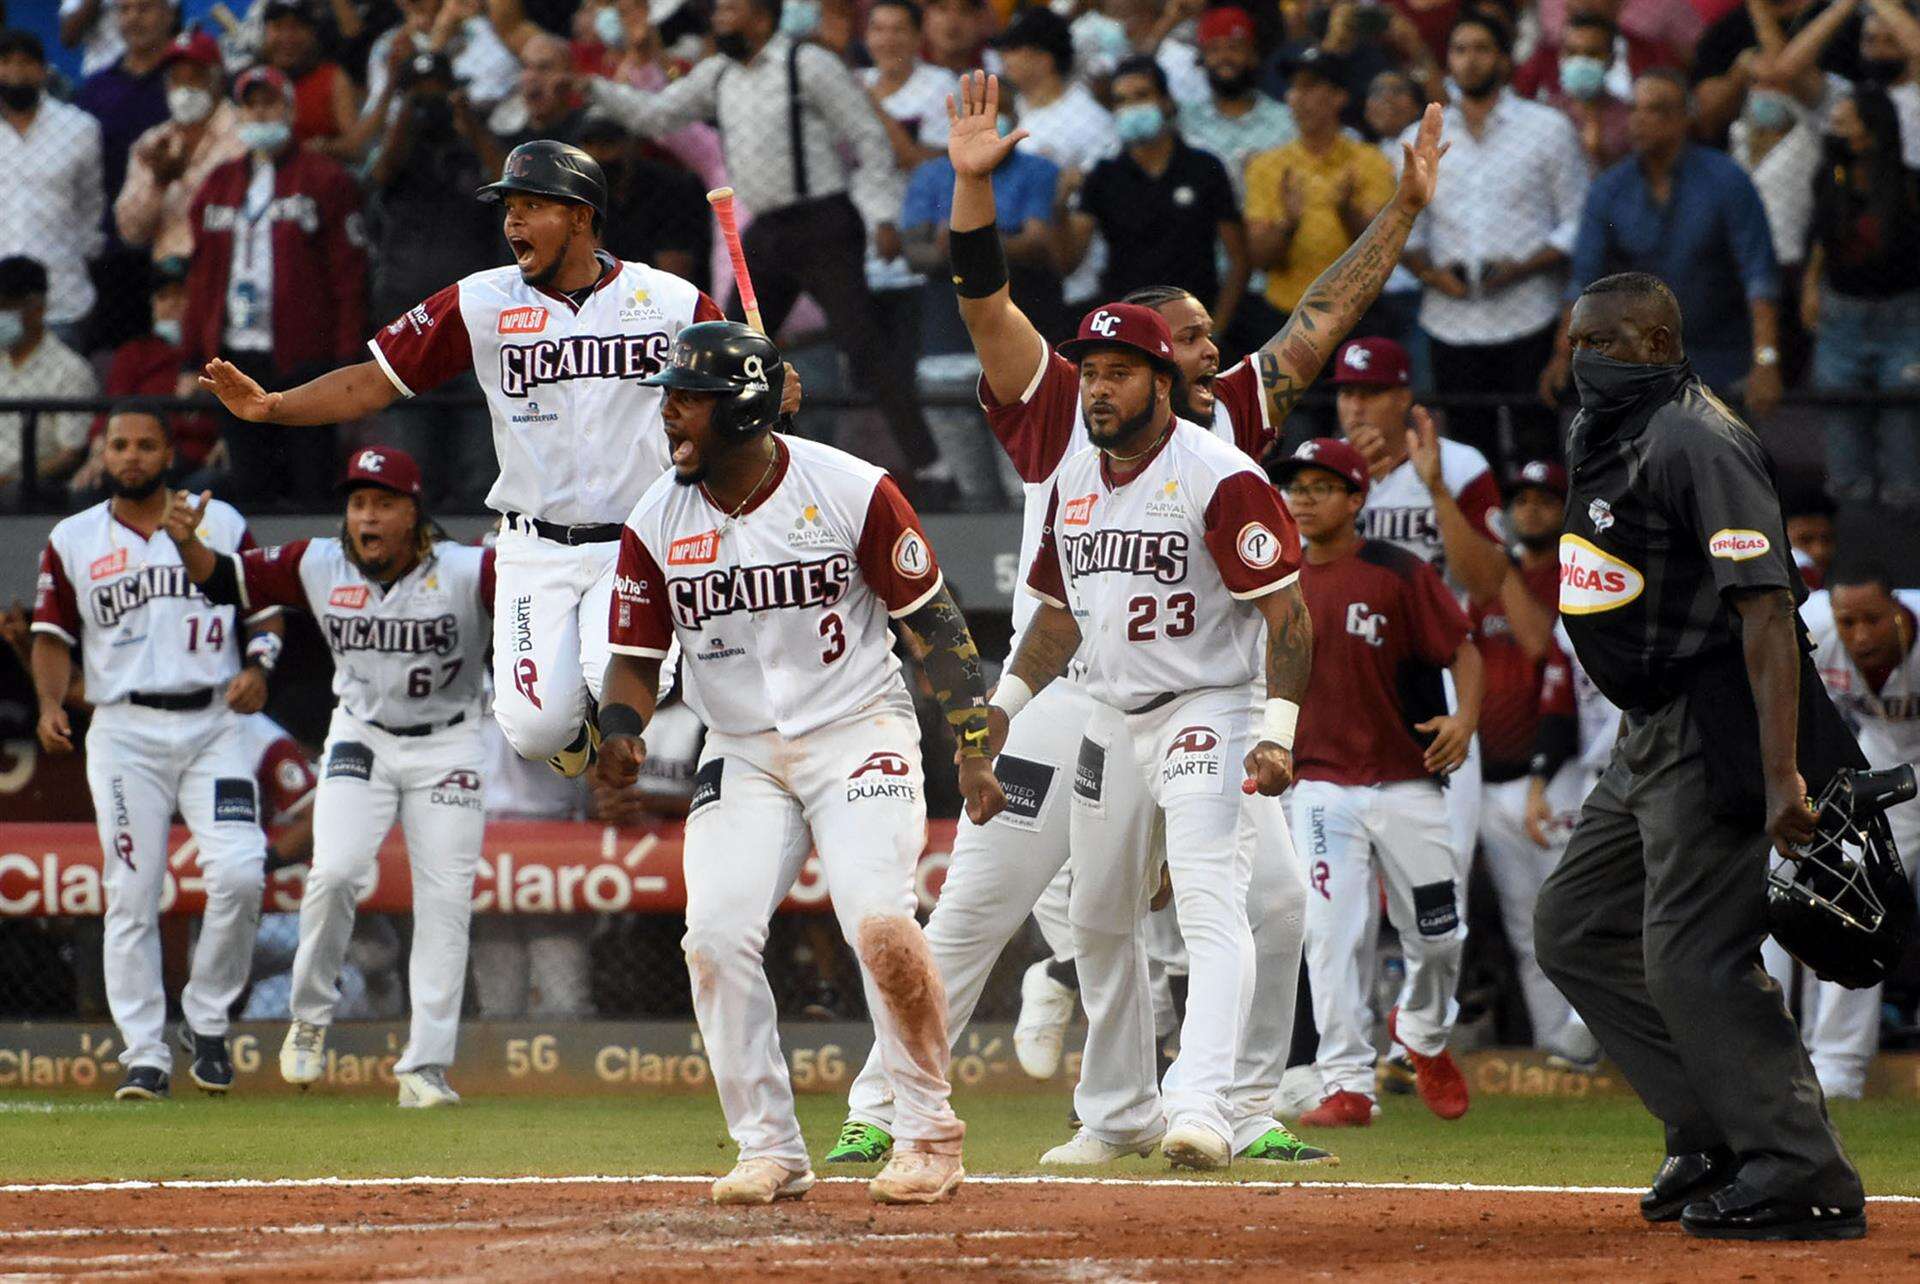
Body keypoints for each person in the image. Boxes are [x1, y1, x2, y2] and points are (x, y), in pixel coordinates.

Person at [828, 74, 1448, 1171]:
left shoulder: (1228, 422)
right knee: (978, 903)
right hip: (1066, 690)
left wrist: (1401, 208)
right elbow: (984, 302)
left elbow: (1324, 314)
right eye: (1195, 336)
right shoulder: (1065, 403)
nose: (1216, 350)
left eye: (1208, 339)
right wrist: (971, 189)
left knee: (1272, 908)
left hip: (1199, 693)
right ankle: (885, 1098)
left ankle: (1230, 1106)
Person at [195, 139, 785, 778]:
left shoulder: (669, 300)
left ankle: (623, 724)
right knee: (534, 732)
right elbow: (373, 380)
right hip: (534, 546)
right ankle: (575, 737)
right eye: (509, 208)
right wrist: (273, 406)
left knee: (619, 677)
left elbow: (737, 381)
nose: (513, 222)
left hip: (635, 540)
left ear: (580, 215)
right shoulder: (483, 300)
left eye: (532, 206)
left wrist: (768, 390)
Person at [597, 320, 1005, 1206]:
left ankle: (927, 1132)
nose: (670, 414)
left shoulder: (852, 488)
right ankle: (769, 1147)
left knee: (880, 926)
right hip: (739, 747)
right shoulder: (655, 518)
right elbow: (633, 656)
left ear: (745, 410)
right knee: (713, 938)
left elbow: (936, 626)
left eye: (691, 400)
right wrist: (621, 727)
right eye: (670, 398)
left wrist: (973, 746)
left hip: (858, 730)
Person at [1535, 271, 1869, 1241]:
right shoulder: (1605, 428)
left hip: (1710, 716)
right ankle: (1713, 1132)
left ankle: (1801, 1170)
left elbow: (1766, 609)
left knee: (1694, 958)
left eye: (1598, 343)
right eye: (1574, 343)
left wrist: (1780, 773)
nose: (1580, 361)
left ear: (1653, 343)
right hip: (1644, 724)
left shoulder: (1699, 437)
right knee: (1573, 926)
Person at [1005, 297, 1311, 1172]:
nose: (1098, 390)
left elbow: (1287, 615)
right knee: (1098, 916)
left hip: (1209, 707)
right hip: (1112, 714)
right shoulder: (1074, 480)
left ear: (1163, 382)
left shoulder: (1219, 474)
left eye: (1119, 373)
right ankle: (1116, 1114)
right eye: (1090, 375)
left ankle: (1203, 1105)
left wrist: (1277, 731)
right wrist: (1004, 702)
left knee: (1213, 900)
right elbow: (1058, 613)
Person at [164, 446, 494, 1108]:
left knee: (444, 900)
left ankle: (425, 1067)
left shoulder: (469, 569)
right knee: (337, 872)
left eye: (383, 504)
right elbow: (225, 581)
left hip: (450, 741)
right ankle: (310, 1020)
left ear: (412, 512)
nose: (366, 517)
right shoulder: (315, 562)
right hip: (361, 736)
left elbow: (539, 603)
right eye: (357, 503)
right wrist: (187, 544)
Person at [583, 0, 947, 496]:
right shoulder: (718, 73)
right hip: (767, 227)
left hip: (822, 220)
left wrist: (882, 213)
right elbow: (657, 115)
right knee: (732, 344)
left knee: (862, 344)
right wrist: (591, 87)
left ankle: (930, 467)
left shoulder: (808, 63)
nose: (718, 18)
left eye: (730, 9)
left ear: (760, 15)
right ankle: (717, 462)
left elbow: (867, 134)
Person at [28, 412, 279, 1102]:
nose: (132, 456)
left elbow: (264, 611)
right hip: (125, 730)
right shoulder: (73, 537)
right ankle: (144, 1053)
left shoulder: (218, 520)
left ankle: (207, 1017)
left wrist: (259, 666)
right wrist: (49, 703)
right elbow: (51, 635)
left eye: (145, 445)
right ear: (101, 454)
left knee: (241, 873)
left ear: (169, 453)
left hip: (214, 723)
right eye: (119, 445)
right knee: (131, 892)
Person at [1272, 435, 1481, 1128]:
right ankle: (1347, 1084)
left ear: (1356, 498)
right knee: (1329, 933)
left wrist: (1465, 719)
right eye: (1296, 488)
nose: (1303, 500)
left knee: (1440, 934)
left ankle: (1422, 1031)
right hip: (1320, 784)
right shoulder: (1276, 579)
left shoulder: (1398, 570)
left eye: (1320, 488)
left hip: (1407, 778)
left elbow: (1463, 650)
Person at [1398, 14, 1587, 471]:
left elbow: (1577, 221)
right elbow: (1405, 229)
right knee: (1468, 455)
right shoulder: (1420, 137)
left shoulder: (1548, 128)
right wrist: (1433, 275)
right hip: (1450, 322)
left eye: (1482, 49)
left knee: (1538, 449)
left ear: (1504, 59)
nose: (1470, 60)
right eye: (1459, 50)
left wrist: (1523, 268)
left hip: (1529, 315)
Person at [1764, 564, 1920, 1100]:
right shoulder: (1811, 629)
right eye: (1848, 621)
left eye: (1873, 619)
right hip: (1873, 760)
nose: (1860, 635)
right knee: (1848, 903)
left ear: (1899, 608)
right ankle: (1835, 1066)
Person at [182, 66, 366, 510]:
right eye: (251, 104)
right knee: (249, 483)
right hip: (236, 355)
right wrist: (191, 357)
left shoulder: (326, 179)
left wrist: (348, 360)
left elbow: (349, 275)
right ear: (239, 114)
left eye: (270, 102)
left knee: (311, 479)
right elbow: (202, 278)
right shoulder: (219, 183)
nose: (261, 113)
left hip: (306, 358)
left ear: (290, 109)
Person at [1550, 71, 1783, 416]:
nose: (1639, 120)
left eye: (1655, 110)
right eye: (1634, 109)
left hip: (1720, 361)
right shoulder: (1610, 190)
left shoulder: (1726, 180)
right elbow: (1584, 280)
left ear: (1683, 118)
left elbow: (1759, 275)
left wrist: (1766, 359)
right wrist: (1562, 354)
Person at [1468, 461, 1584, 1064]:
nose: (1531, 509)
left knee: (1572, 922)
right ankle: (1551, 1053)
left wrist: (1504, 567)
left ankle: (1594, 1048)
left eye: (1545, 499)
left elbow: (1542, 646)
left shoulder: (1576, 576)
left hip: (1559, 773)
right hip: (1492, 779)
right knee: (1525, 929)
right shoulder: (1484, 585)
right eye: (1522, 500)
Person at [367, 51, 506, 513]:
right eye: (419, 95)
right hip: (409, 317)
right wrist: (404, 117)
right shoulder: (399, 155)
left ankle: (477, 534)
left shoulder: (473, 150)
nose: (430, 106)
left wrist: (469, 122)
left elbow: (507, 180)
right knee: (411, 451)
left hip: (474, 318)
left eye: (437, 95)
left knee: (479, 459)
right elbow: (377, 176)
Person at [1060, 55, 1248, 333]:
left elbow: (1239, 259)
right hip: (1127, 327)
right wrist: (1059, 204)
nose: (1131, 107)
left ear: (1166, 101)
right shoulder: (1103, 174)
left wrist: (1214, 332)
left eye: (1142, 96)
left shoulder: (1204, 167)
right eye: (1121, 100)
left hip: (1193, 322)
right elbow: (1069, 260)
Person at [1802, 86, 1920, 508]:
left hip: (1902, 315)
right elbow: (1820, 238)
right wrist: (1810, 286)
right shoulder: (1830, 178)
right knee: (1841, 421)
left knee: (1903, 423)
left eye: (1844, 122)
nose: (1835, 130)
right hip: (1842, 316)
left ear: (1871, 130)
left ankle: (1904, 519)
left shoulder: (1908, 185)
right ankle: (1850, 517)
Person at [1245, 49, 1394, 324]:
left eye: (1310, 86)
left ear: (1339, 96)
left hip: (1355, 314)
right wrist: (1289, 224)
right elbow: (1258, 258)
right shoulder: (1267, 166)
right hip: (1286, 313)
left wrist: (1346, 212)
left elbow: (1381, 254)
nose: (1298, 97)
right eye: (1293, 87)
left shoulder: (1371, 161)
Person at [991, 5, 1118, 308]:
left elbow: (1094, 199)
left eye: (1014, 49)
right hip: (1016, 271)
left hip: (1075, 278)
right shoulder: (1015, 110)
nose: (1005, 58)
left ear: (1044, 58)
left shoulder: (1088, 118)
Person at [0, 29, 108, 344]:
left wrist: (79, 254)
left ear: (43, 71)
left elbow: (92, 208)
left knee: (64, 375)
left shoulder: (79, 129)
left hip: (61, 297)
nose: (16, 72)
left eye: (25, 63)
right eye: (6, 62)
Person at [114, 30, 245, 265]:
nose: (184, 90)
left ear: (218, 81)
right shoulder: (152, 143)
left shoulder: (244, 135)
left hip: (228, 268)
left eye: (194, 78)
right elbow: (130, 232)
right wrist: (158, 184)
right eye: (176, 79)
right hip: (171, 276)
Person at [73, 0, 175, 240]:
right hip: (111, 235)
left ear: (169, 15)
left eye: (144, 9)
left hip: (177, 229)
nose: (133, 18)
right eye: (125, 10)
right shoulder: (96, 89)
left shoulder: (186, 82)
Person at [0, 257, 99, 499]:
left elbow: (69, 454)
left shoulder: (70, 369)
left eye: (5, 308)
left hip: (31, 489)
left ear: (37, 308)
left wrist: (14, 481)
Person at [1179, 5, 1298, 199]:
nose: (1224, 57)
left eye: (1234, 48)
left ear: (1253, 55)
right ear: (1202, 59)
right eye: (1214, 49)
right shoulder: (1185, 121)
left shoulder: (1287, 120)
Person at [259, 0, 360, 159]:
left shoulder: (331, 78)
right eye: (278, 27)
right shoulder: (251, 83)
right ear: (265, 33)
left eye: (296, 27)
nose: (287, 38)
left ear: (312, 34)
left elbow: (356, 147)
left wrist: (327, 147)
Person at [1545, 12, 1633, 173]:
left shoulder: (1628, 120)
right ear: (1561, 56)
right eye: (1572, 52)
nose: (1581, 61)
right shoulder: (1547, 113)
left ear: (1612, 60)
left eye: (1592, 54)